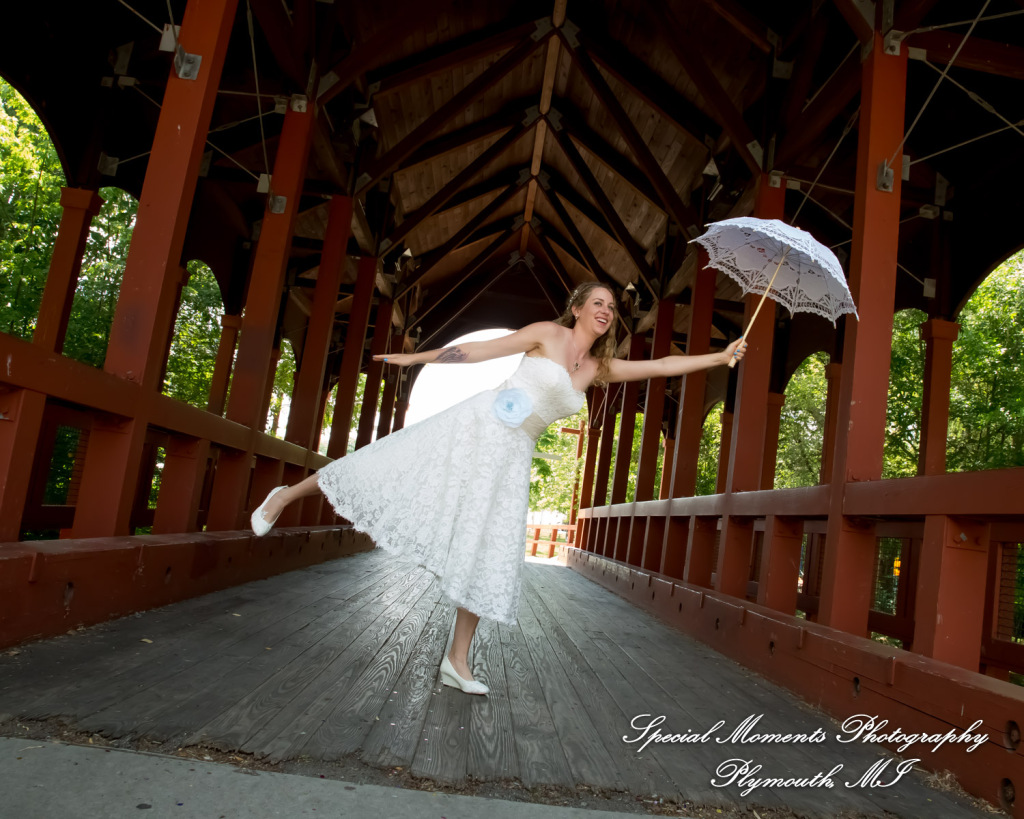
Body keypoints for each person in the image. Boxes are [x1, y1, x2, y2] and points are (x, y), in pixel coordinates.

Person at [250, 282, 747, 696]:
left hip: (512, 455)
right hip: (479, 426)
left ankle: (457, 660)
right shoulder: (546, 334)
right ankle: (285, 496)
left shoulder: (598, 367)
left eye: (612, 307)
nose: (606, 311)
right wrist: (415, 357)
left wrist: (720, 356)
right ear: (577, 308)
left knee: (488, 550)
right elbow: (477, 350)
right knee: (387, 465)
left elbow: (661, 367)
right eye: (598, 302)